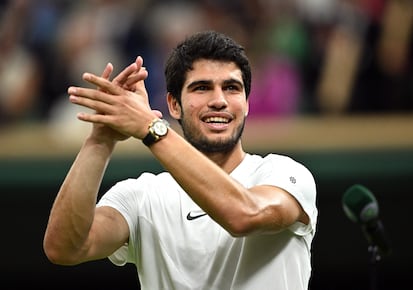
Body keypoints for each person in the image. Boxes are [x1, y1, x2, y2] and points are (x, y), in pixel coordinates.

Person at [43, 30, 318, 290]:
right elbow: (64, 248)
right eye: (202, 88)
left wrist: (151, 127)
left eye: (232, 88)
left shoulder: (284, 174)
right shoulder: (142, 195)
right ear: (174, 105)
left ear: (246, 103)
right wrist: (100, 140)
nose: (219, 100)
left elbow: (243, 214)